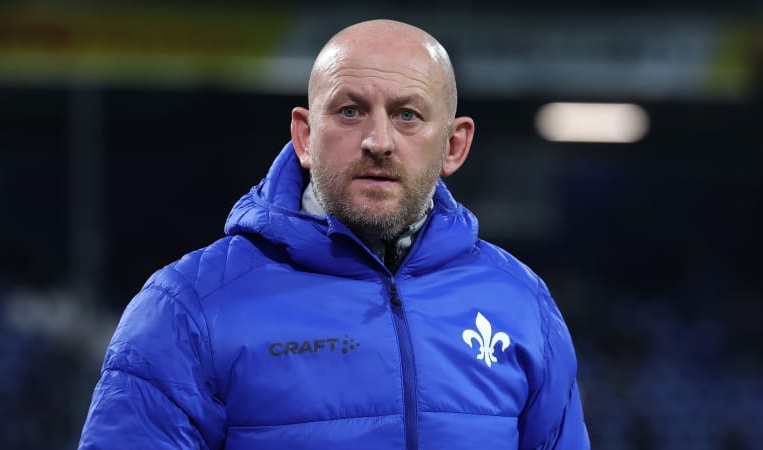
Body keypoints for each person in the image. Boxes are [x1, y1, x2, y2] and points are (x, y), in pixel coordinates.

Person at [78, 19, 590, 450]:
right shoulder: (186, 307)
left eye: (407, 115)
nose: (378, 141)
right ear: (304, 136)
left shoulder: (521, 303)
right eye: (350, 111)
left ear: (454, 146)